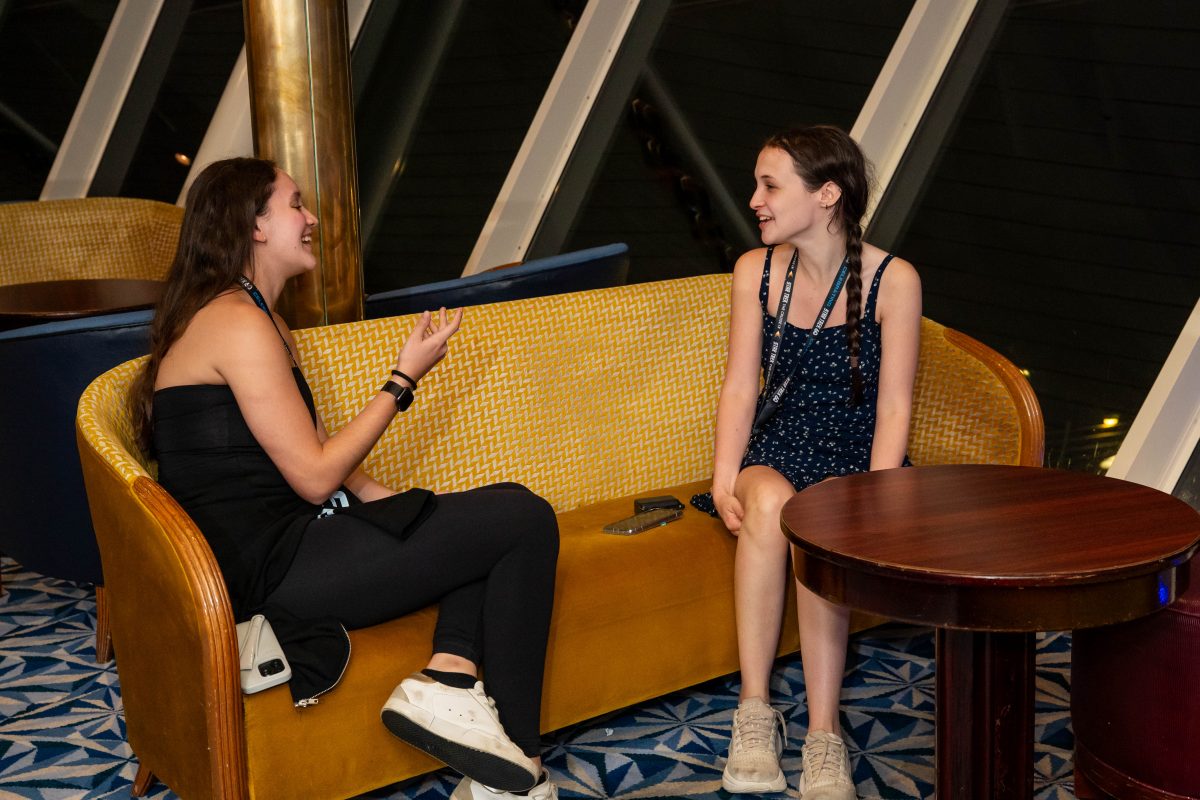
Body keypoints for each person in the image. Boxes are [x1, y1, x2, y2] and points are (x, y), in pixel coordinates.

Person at [130, 157, 561, 800]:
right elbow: (312, 477)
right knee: (524, 520)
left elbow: (306, 447)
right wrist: (403, 379)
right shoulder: (236, 323)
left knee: (493, 510)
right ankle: (517, 769)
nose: (310, 218)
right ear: (254, 225)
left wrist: (383, 498)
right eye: (295, 205)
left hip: (292, 542)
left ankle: (450, 679)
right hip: (266, 571)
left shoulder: (258, 317)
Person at [695, 126, 921, 798]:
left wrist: (878, 496)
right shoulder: (755, 271)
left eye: (770, 186)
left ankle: (824, 736)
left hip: (855, 459)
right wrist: (724, 477)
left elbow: (894, 407)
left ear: (826, 195)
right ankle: (754, 712)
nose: (754, 200)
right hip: (777, 447)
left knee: (822, 521)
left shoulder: (893, 280)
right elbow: (741, 386)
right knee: (769, 503)